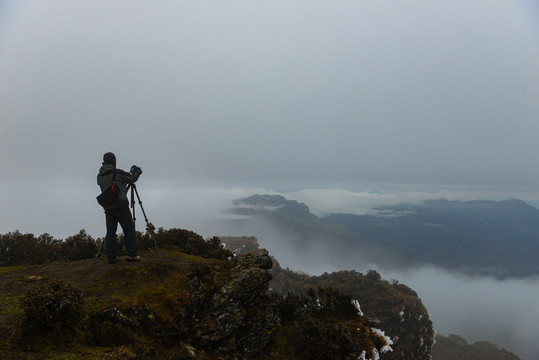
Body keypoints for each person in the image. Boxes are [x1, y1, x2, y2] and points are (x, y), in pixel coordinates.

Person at [97, 152, 143, 264]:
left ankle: (111, 258)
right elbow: (131, 179)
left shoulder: (100, 175)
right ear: (114, 161)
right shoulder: (117, 173)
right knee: (129, 229)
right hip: (121, 206)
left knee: (111, 232)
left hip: (108, 207)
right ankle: (132, 254)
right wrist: (137, 172)